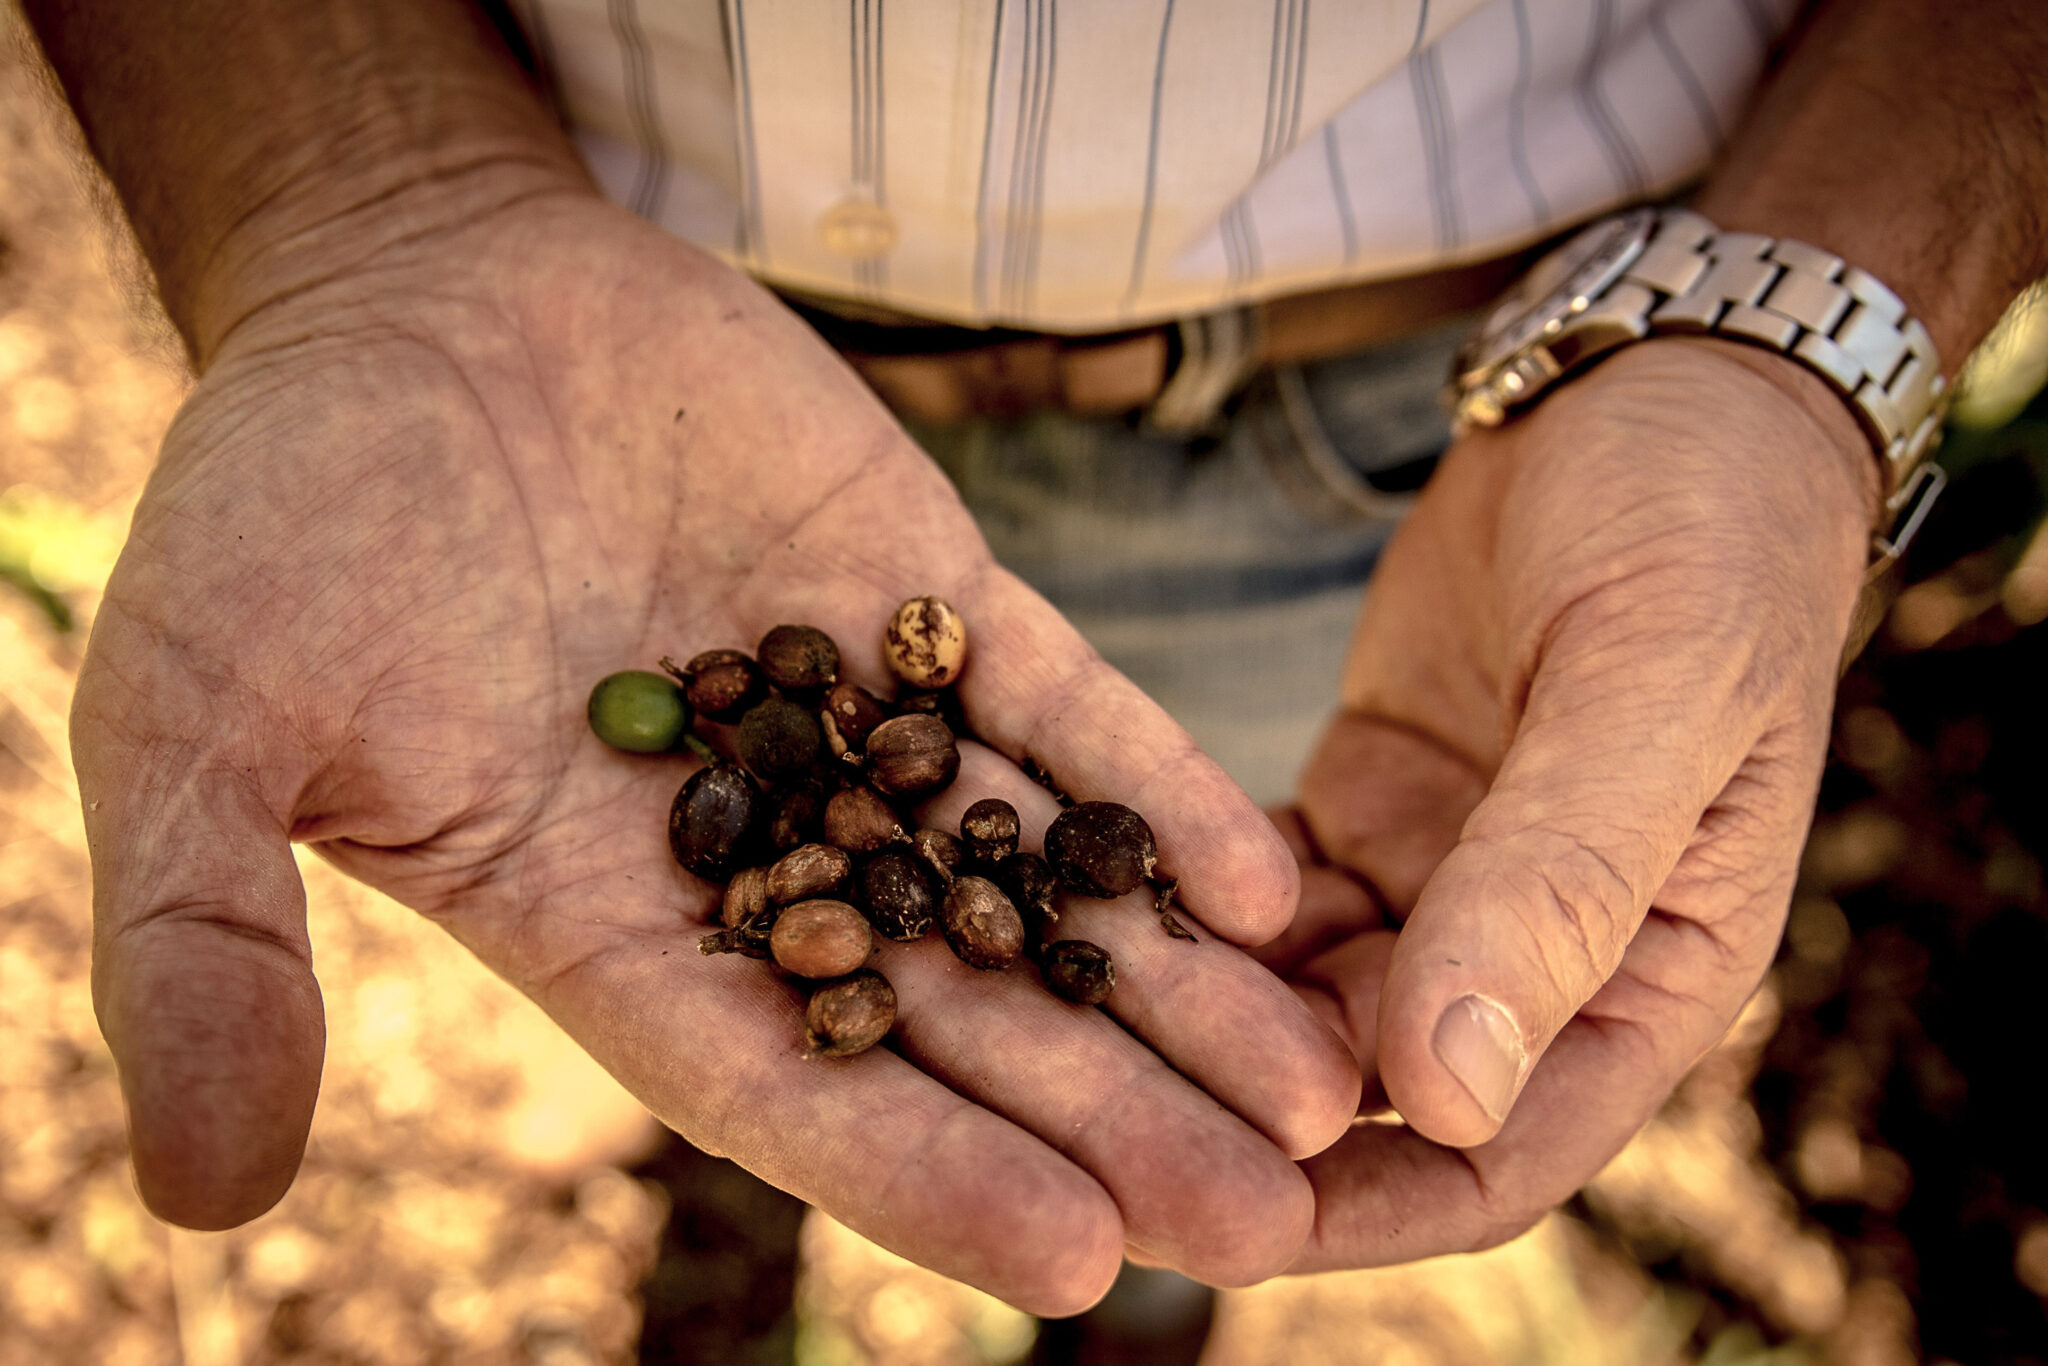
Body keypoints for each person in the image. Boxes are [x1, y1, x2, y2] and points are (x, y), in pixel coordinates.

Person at [22, 0, 2047, 1318]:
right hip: (584, 377)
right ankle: (786, 1196)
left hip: (1484, 411)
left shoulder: (851, 775)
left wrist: (1798, 325)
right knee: (1112, 1031)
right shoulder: (787, 760)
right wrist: (351, 186)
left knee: (1245, 1038)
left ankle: (1138, 1310)